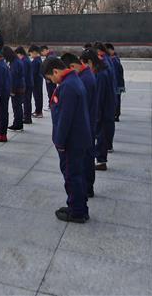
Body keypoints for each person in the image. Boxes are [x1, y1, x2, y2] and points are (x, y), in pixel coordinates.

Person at [42, 56, 91, 223]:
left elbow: (65, 118)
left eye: (50, 78)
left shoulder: (68, 86)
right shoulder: (73, 80)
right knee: (77, 174)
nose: (52, 81)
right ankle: (79, 206)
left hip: (72, 141)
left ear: (55, 71)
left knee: (72, 176)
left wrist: (60, 142)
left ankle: (77, 212)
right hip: (78, 138)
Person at [64, 51, 97, 198]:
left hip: (86, 125)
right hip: (88, 123)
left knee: (86, 159)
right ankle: (87, 187)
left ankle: (87, 187)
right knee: (86, 158)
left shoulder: (85, 79)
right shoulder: (86, 75)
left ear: (72, 66)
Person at [82, 48, 114, 171]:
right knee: (101, 135)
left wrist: (96, 115)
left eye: (85, 64)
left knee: (101, 136)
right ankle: (100, 158)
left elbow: (99, 97)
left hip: (103, 111)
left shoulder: (100, 75)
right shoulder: (102, 70)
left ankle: (101, 161)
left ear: (90, 62)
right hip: (105, 109)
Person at [6, 46, 26, 131]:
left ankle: (17, 124)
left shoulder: (15, 63)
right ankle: (18, 123)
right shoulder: (17, 61)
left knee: (16, 107)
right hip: (20, 86)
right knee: (18, 106)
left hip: (17, 88)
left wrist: (12, 90)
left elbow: (13, 77)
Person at [105, 43, 125, 122]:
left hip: (117, 84)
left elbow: (115, 75)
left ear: (111, 50)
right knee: (116, 99)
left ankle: (116, 114)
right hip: (118, 83)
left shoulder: (114, 60)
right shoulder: (115, 58)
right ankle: (116, 114)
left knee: (116, 99)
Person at [16, 46, 34, 124]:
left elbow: (24, 74)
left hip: (27, 84)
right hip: (29, 83)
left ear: (20, 54)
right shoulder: (26, 60)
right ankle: (27, 116)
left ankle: (27, 118)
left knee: (26, 101)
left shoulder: (24, 61)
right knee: (27, 101)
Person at [29, 45, 45, 118]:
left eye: (31, 54)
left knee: (37, 96)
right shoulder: (39, 60)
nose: (30, 55)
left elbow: (33, 73)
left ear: (34, 52)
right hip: (39, 80)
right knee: (38, 96)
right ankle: (38, 111)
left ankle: (38, 112)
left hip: (36, 81)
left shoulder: (36, 61)